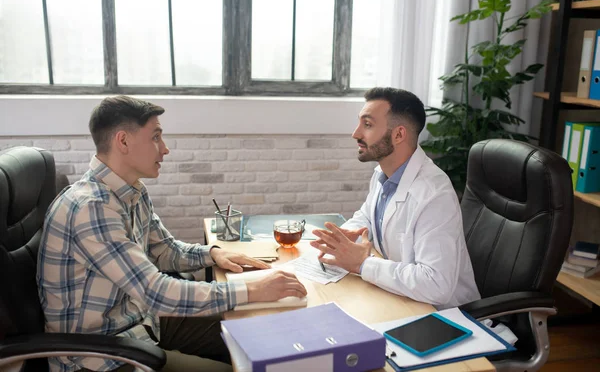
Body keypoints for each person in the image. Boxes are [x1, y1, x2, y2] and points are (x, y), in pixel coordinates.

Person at [37, 95, 307, 372]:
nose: (164, 149)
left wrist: (215, 254)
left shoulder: (132, 191)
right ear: (123, 141)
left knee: (260, 337)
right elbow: (155, 292)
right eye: (155, 137)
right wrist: (253, 289)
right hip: (100, 354)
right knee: (242, 365)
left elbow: (164, 251)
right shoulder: (91, 208)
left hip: (142, 321)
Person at [311, 87, 480, 309]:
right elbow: (368, 217)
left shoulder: (434, 195)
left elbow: (437, 284)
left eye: (368, 125)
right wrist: (349, 236)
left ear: (398, 135)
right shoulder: (384, 174)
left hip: (443, 315)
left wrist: (363, 264)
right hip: (399, 299)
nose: (356, 133)